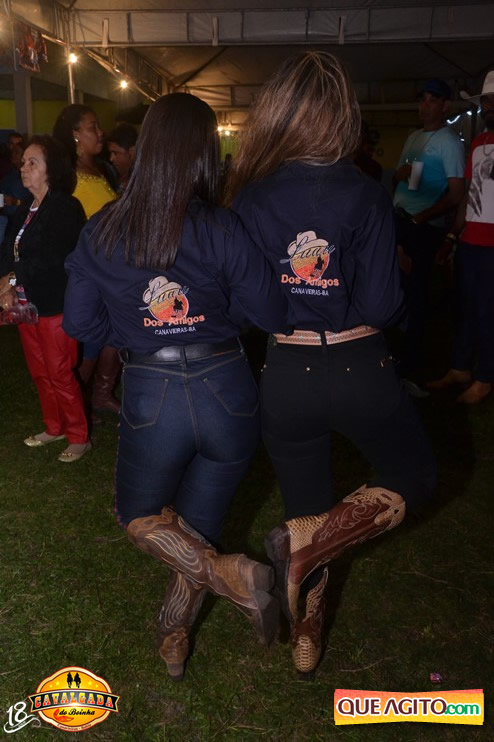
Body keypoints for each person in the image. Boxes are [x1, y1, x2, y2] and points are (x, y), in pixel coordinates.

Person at [63, 92, 290, 680]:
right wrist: (218, 318)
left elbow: (81, 323)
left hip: (152, 392)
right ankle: (177, 632)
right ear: (205, 154)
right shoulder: (223, 226)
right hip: (227, 388)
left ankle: (223, 583)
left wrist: (137, 329)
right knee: (196, 526)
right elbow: (269, 311)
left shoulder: (104, 229)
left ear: (147, 148)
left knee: (140, 514)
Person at [227, 52, 437, 678]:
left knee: (306, 506)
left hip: (286, 374)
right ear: (343, 114)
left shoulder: (251, 198)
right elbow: (381, 304)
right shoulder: (365, 192)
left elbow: (250, 307)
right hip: (360, 366)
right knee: (415, 473)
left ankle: (306, 637)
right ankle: (304, 555)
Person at [0, 135, 90, 462]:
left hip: (55, 305)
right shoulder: (26, 208)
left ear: (51, 169)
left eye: (32, 163)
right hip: (27, 306)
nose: (23, 168)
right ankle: (55, 427)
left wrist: (11, 280)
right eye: (23, 162)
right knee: (40, 371)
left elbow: (51, 257)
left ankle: (79, 436)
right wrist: (7, 283)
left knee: (60, 371)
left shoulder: (65, 207)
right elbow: (9, 250)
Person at [393, 79, 465, 394]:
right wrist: (401, 175)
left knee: (417, 293)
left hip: (423, 227)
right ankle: (399, 353)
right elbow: (399, 176)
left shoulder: (449, 142)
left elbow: (457, 194)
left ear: (445, 106)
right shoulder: (413, 137)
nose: (425, 105)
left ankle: (413, 364)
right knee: (399, 287)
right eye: (422, 99)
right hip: (401, 220)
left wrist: (423, 217)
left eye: (432, 100)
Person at [428, 70, 494, 403]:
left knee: (487, 311)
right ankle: (461, 367)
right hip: (471, 241)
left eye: (493, 101)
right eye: (486, 101)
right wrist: (453, 236)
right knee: (466, 308)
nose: (489, 107)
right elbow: (468, 194)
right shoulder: (480, 143)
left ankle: (485, 377)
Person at [53, 104, 120, 416]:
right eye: (93, 126)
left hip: (112, 266)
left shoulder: (101, 169)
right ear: (75, 135)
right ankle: (74, 405)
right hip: (90, 268)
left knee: (115, 333)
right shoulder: (68, 178)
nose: (100, 132)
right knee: (92, 339)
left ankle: (101, 395)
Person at [106, 123, 137, 193]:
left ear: (132, 152)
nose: (111, 159)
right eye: (110, 153)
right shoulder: (123, 179)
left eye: (115, 153)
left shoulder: (140, 183)